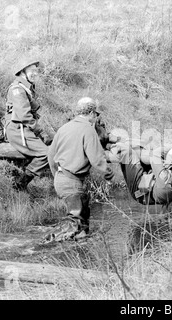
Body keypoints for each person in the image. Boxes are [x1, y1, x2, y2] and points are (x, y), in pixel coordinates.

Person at [44, 97, 114, 242]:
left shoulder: (64, 128)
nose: (96, 118)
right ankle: (47, 242)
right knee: (75, 223)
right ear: (92, 113)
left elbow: (50, 155)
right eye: (96, 115)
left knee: (83, 216)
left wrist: (57, 175)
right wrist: (108, 173)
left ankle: (80, 246)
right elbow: (97, 158)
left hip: (61, 178)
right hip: (72, 181)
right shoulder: (88, 130)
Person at [5, 59, 53, 190]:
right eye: (31, 71)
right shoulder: (17, 89)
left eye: (36, 71)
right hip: (17, 130)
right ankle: (20, 184)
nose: (35, 73)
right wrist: (40, 131)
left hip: (24, 128)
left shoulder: (26, 88)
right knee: (47, 154)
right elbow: (24, 115)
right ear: (22, 72)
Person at [111, 141, 172, 208]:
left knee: (126, 151)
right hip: (151, 186)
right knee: (138, 147)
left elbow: (155, 155)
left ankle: (104, 146)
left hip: (139, 191)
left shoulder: (164, 178)